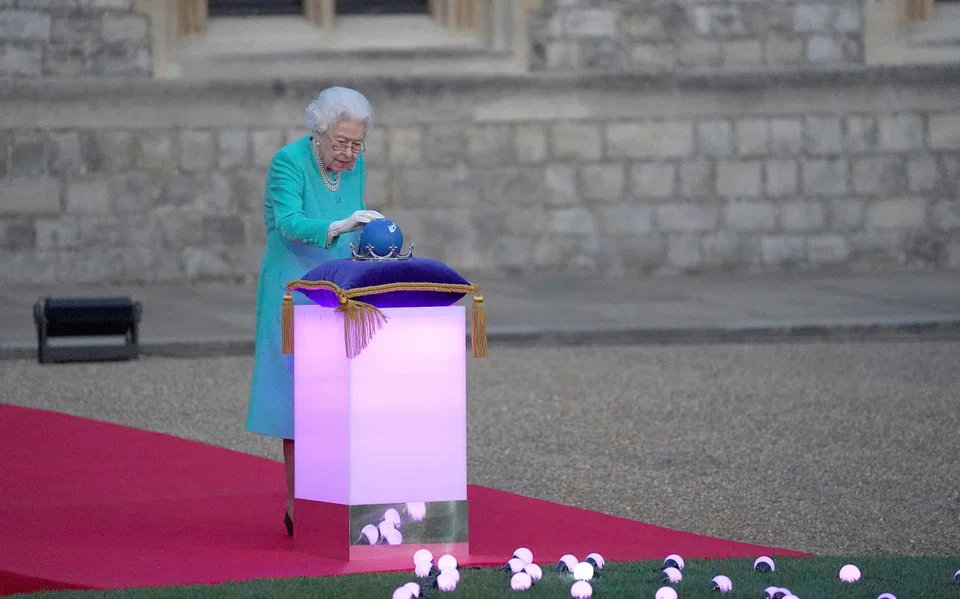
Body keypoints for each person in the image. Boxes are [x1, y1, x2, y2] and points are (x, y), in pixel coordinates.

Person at [245, 87, 383, 536]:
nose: (348, 153)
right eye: (341, 143)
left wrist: (377, 248)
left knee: (341, 394)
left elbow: (357, 220)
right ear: (318, 133)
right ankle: (297, 503)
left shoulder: (355, 164)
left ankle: (343, 496)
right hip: (295, 289)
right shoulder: (289, 161)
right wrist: (337, 227)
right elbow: (287, 221)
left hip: (341, 285)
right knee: (299, 398)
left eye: (357, 144)